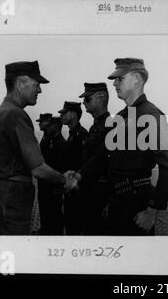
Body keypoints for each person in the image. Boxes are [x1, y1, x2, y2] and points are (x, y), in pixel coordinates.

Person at [0, 61, 75, 235]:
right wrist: (65, 180)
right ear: (20, 83)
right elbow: (38, 169)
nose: (39, 90)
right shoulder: (15, 115)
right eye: (37, 84)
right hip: (11, 199)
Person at [105, 58, 168, 235]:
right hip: (118, 201)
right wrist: (111, 201)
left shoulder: (150, 114)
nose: (114, 83)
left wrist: (152, 211)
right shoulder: (121, 116)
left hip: (138, 205)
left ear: (136, 78)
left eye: (120, 78)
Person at [72, 83, 112, 235]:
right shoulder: (95, 127)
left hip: (101, 195)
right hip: (89, 192)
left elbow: (108, 163)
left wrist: (110, 201)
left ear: (101, 98)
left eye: (87, 99)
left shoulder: (111, 126)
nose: (83, 103)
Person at [59, 101, 88, 235]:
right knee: (69, 224)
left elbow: (85, 164)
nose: (62, 116)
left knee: (76, 227)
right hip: (70, 188)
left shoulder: (82, 135)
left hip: (78, 189)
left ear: (74, 114)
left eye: (64, 113)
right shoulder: (72, 135)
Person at [38, 115, 67, 235]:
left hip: (54, 184)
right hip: (45, 183)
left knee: (54, 212)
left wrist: (59, 186)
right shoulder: (48, 140)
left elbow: (63, 167)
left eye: (49, 126)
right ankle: (45, 230)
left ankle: (55, 235)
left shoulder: (62, 143)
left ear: (56, 127)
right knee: (44, 209)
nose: (46, 127)